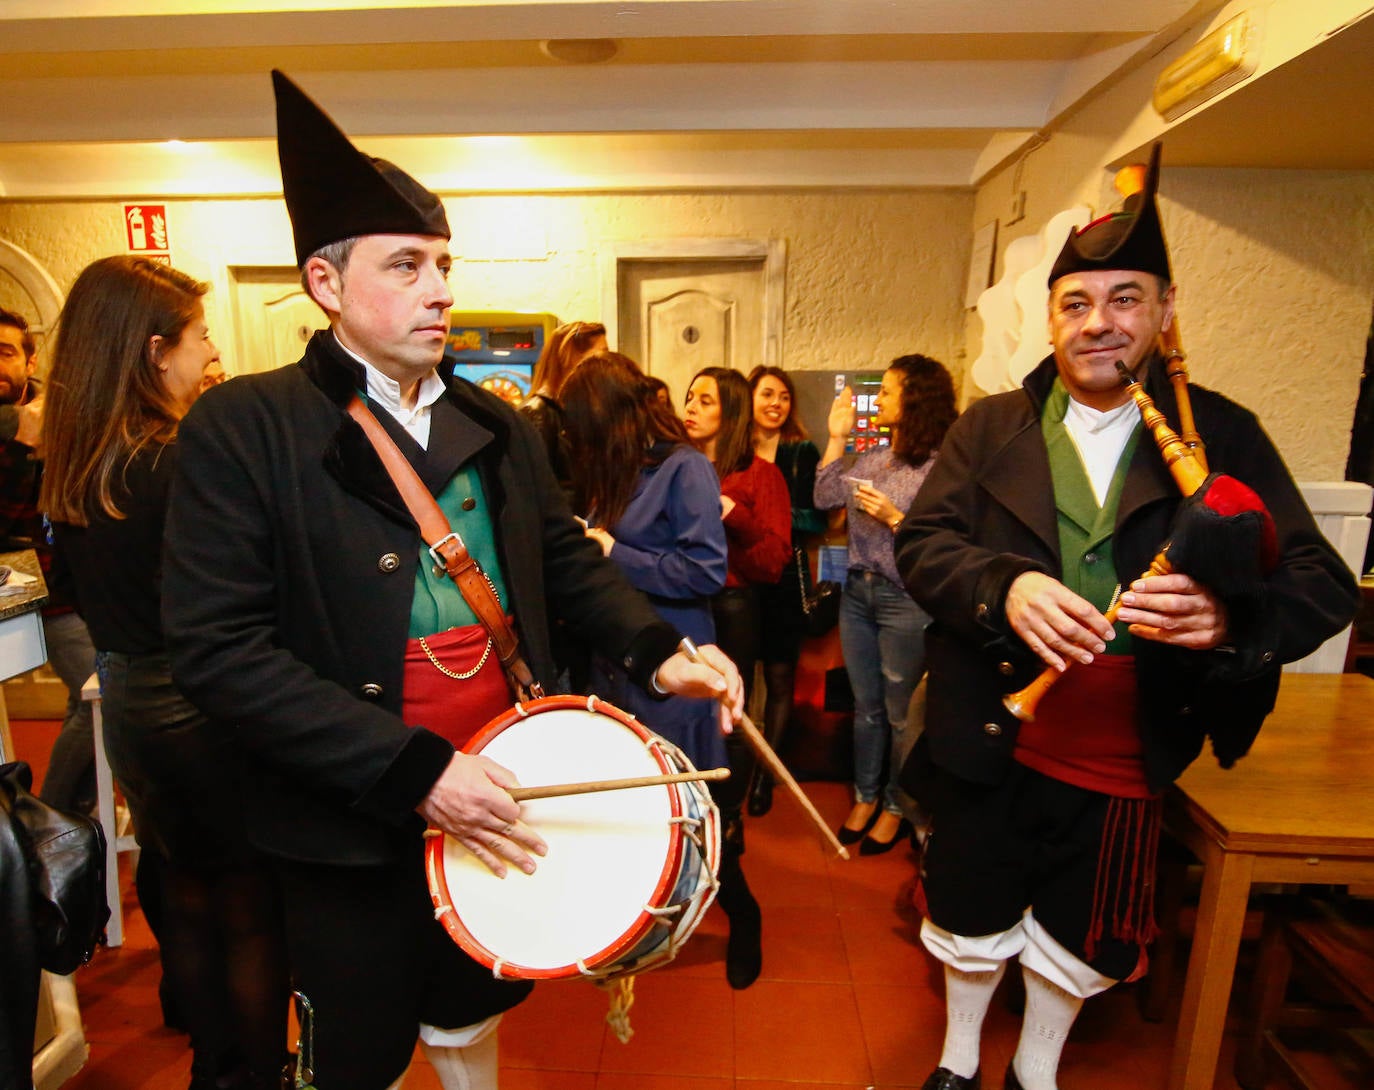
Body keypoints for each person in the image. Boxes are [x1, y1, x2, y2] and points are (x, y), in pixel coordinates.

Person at [161, 71, 742, 1090]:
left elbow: (563, 563)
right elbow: (219, 652)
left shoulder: (502, 424)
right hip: (345, 817)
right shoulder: (244, 429)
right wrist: (414, 772)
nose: (440, 289)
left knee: (472, 1005)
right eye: (406, 266)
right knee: (357, 1040)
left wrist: (664, 651)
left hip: (503, 785)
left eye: (443, 263)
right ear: (326, 285)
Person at [895, 145, 1359, 1090]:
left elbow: (1321, 581)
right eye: (1077, 303)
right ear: (1052, 318)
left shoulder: (1222, 434)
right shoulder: (990, 426)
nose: (1098, 323)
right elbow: (923, 547)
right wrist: (1003, 588)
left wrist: (1229, 621)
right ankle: (954, 1064)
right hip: (991, 733)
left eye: (1125, 299)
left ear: (1165, 310)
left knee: (1079, 925)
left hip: (1127, 752)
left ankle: (1035, 1071)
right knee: (971, 906)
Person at [41, 256, 288, 1090]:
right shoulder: (178, 459)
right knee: (251, 906)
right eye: (201, 334)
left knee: (181, 886)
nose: (211, 348)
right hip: (204, 702)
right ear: (155, 350)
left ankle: (213, 1068)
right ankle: (257, 1072)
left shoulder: (78, 458)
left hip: (131, 700)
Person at [814, 355, 956, 854]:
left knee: (900, 715)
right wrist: (836, 436)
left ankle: (896, 806)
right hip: (858, 593)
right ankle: (864, 795)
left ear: (915, 399)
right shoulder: (875, 457)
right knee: (866, 708)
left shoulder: (940, 467)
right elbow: (824, 494)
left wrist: (897, 519)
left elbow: (949, 542)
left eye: (891, 390)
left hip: (905, 600)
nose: (883, 399)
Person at [682, 364, 791, 988]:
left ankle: (741, 910)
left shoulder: (760, 474)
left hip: (731, 609)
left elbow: (774, 560)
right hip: (678, 616)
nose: (692, 408)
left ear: (730, 413)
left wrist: (732, 512)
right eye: (689, 397)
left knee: (722, 743)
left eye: (705, 401)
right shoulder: (673, 466)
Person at [0, 306, 99, 815]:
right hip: (22, 588)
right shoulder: (16, 430)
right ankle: (52, 817)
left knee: (83, 699)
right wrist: (21, 448)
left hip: (73, 581)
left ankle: (76, 812)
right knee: (93, 695)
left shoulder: (53, 407)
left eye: (5, 351)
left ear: (29, 357)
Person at [744, 364, 826, 816]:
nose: (776, 404)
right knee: (735, 677)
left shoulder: (800, 451)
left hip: (784, 578)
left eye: (784, 397)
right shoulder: (731, 453)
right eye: (767, 395)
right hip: (737, 580)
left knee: (778, 678)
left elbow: (814, 520)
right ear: (749, 398)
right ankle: (735, 767)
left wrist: (761, 522)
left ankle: (764, 776)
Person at [518, 320, 607, 488]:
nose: (607, 363)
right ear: (571, 356)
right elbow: (534, 488)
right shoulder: (538, 413)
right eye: (602, 354)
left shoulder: (573, 411)